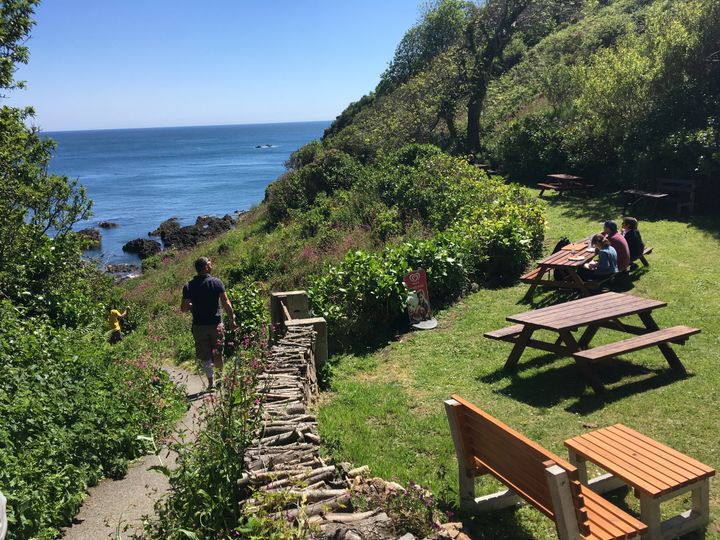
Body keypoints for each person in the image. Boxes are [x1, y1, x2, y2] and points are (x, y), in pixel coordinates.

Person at [181, 257, 237, 390]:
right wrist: (232, 319)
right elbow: (226, 302)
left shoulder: (188, 286)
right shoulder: (217, 282)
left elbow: (183, 308)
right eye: (210, 264)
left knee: (205, 356)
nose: (212, 266)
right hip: (215, 325)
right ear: (205, 267)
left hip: (199, 326)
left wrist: (188, 306)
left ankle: (211, 383)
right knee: (217, 352)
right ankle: (219, 379)